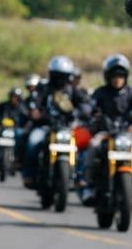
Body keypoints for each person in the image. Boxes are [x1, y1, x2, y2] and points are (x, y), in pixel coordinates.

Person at [82, 54, 132, 201]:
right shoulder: (101, 92)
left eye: (121, 75)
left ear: (126, 77)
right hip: (105, 133)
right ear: (108, 76)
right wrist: (88, 111)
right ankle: (88, 187)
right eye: (114, 75)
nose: (117, 79)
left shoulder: (131, 92)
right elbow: (89, 105)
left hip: (126, 134)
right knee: (93, 146)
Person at [22, 56, 91, 188]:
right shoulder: (43, 88)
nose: (60, 79)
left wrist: (86, 112)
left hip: (67, 128)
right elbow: (34, 102)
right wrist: (35, 111)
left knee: (86, 143)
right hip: (45, 126)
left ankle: (80, 176)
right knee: (32, 141)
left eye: (63, 75)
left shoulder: (71, 90)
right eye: (57, 75)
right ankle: (29, 174)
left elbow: (85, 102)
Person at [0, 86, 26, 169]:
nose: (14, 98)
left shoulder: (22, 108)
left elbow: (26, 118)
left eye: (16, 97)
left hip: (15, 130)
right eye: (13, 96)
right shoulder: (3, 105)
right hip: (3, 128)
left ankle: (19, 159)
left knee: (21, 136)